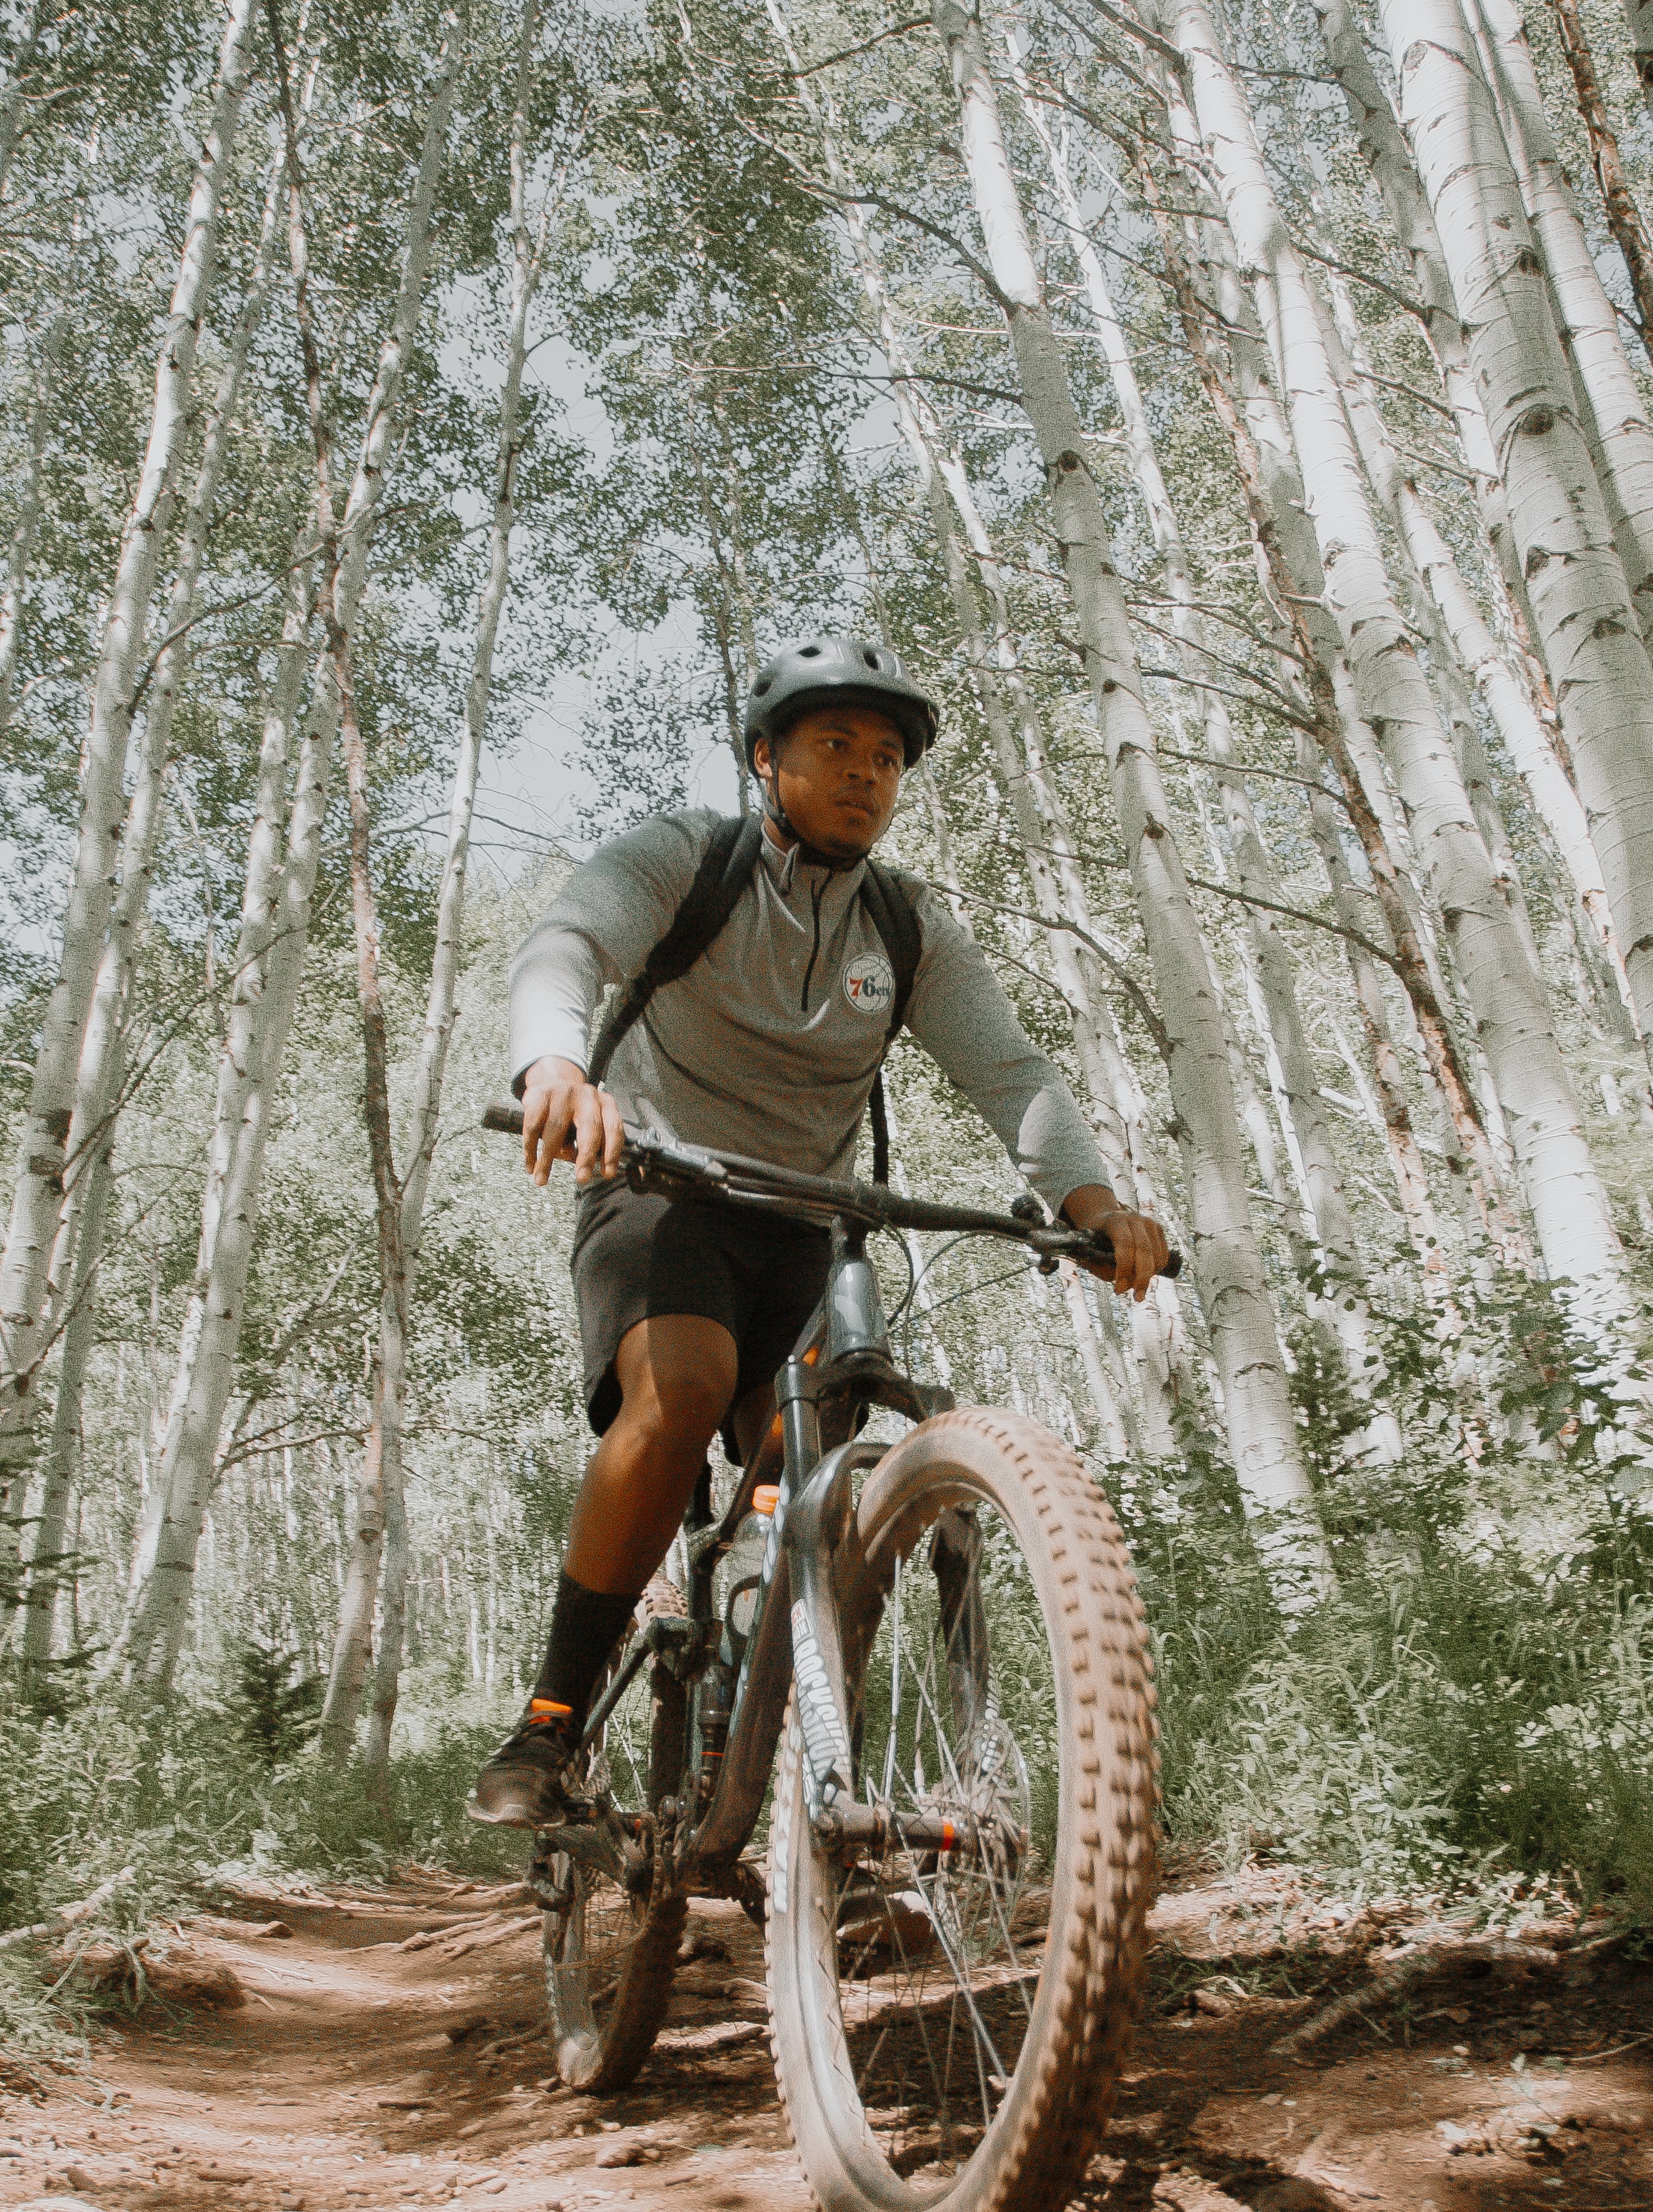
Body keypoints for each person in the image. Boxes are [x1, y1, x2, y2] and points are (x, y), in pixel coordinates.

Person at [468, 631, 1168, 1829]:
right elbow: (568, 944)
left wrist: (1090, 1202)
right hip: (657, 1191)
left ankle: (805, 1778)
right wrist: (556, 1065)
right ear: (764, 759)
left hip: (810, 1225)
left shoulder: (904, 930)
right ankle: (549, 1723)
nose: (863, 772)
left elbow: (1006, 1070)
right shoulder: (689, 860)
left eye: (887, 757)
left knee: (820, 1491)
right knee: (684, 1388)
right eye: (832, 744)